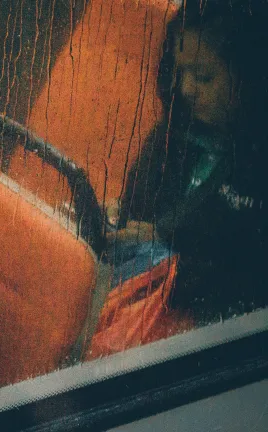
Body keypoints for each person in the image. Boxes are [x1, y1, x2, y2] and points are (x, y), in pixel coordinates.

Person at [102, 0, 268, 329]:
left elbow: (243, 273)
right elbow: (137, 205)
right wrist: (116, 217)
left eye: (204, 78)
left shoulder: (255, 168)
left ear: (249, 80)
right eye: (180, 72)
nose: (186, 88)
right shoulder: (176, 131)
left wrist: (165, 245)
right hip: (134, 299)